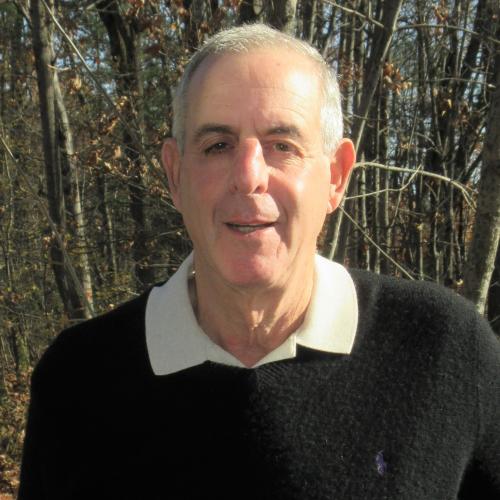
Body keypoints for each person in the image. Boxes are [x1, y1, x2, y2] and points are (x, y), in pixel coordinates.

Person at [18, 24, 499, 500]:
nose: (249, 177)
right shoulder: (78, 381)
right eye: (218, 146)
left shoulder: (446, 353)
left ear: (336, 176)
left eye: (282, 146)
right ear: (175, 173)